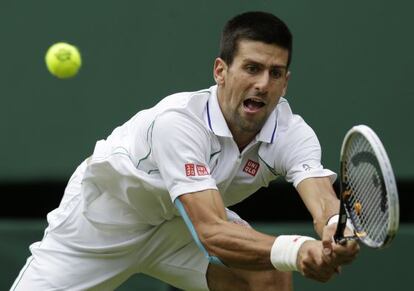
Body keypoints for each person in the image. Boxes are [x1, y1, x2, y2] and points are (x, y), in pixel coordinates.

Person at [12, 11, 359, 291]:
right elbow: (211, 232)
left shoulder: (291, 132)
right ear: (220, 71)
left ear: (285, 82)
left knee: (267, 276)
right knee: (274, 256)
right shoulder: (177, 123)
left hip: (179, 226)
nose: (262, 84)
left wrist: (334, 229)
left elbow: (319, 196)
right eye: (252, 68)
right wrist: (297, 250)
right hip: (104, 222)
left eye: (275, 73)